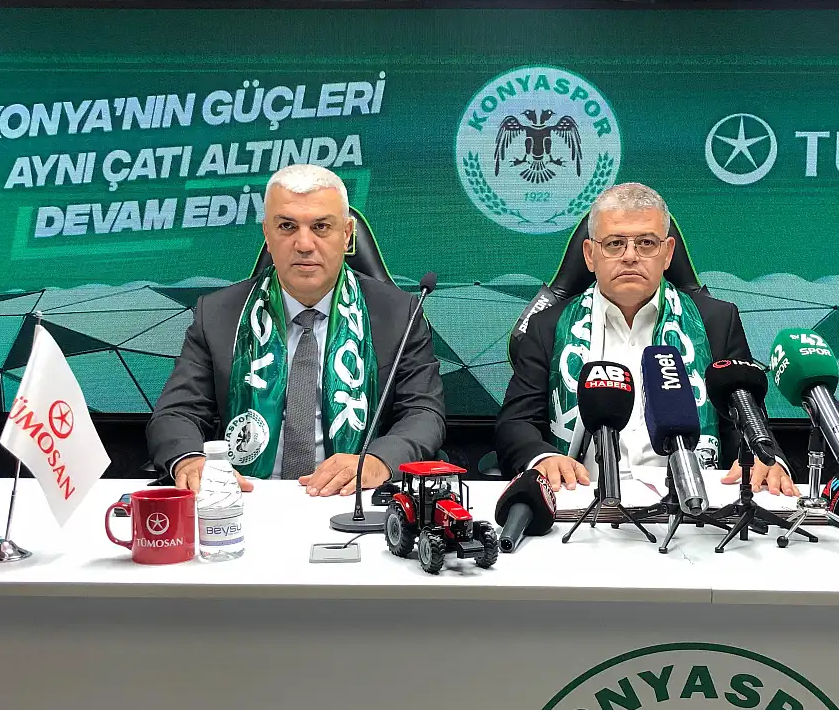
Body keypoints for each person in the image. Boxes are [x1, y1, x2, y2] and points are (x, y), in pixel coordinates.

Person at [147, 164, 445, 496]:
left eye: (321, 227)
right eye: (287, 226)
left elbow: (423, 413)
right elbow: (177, 412)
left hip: (351, 498)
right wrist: (189, 460)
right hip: (244, 497)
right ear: (267, 234)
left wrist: (378, 461)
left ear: (347, 234)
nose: (304, 244)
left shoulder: (399, 315)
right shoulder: (218, 314)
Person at [494, 182, 796, 496]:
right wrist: (543, 458)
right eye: (614, 244)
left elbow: (747, 420)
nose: (630, 256)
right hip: (582, 499)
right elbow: (516, 424)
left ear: (667, 253)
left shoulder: (716, 321)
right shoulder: (548, 326)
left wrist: (765, 460)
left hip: (694, 505)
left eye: (646, 243)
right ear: (590, 255)